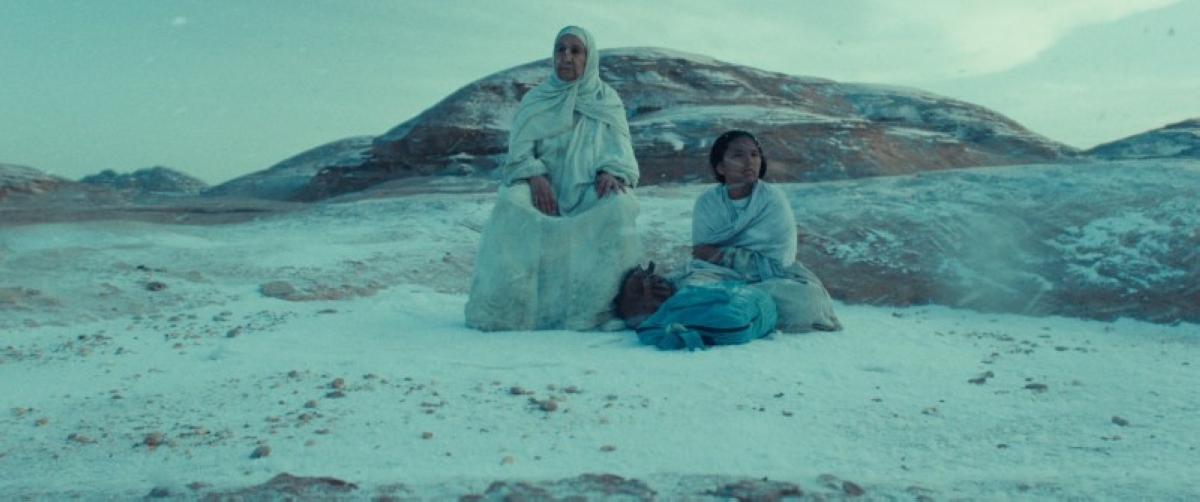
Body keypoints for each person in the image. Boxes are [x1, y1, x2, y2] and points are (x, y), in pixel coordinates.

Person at [465, 26, 642, 331]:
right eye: (561, 49)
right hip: (541, 186)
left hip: (586, 187)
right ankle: (510, 310)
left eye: (575, 50)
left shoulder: (606, 99)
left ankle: (594, 310)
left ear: (589, 58)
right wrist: (535, 177)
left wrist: (610, 172)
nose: (566, 57)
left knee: (618, 205)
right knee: (511, 203)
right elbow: (519, 154)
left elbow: (620, 150)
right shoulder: (536, 99)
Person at [686, 130, 842, 332]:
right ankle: (745, 311)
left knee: (808, 299)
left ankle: (727, 311)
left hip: (771, 279)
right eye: (738, 155)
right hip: (720, 276)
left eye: (754, 154)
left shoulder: (772, 199)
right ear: (721, 167)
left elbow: (780, 260)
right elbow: (701, 254)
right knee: (692, 287)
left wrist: (726, 256)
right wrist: (719, 259)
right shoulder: (708, 201)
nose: (749, 161)